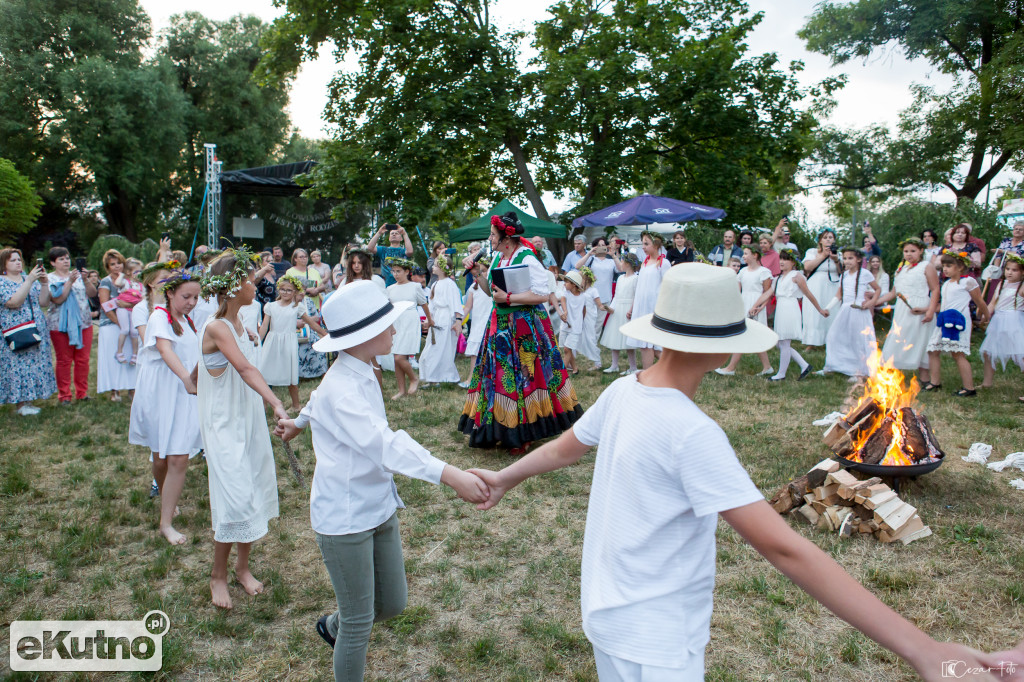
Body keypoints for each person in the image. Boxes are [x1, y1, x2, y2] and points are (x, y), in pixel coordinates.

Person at [466, 263, 1024, 682]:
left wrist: (505, 477)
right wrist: (925, 650)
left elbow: (564, 449)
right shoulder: (693, 432)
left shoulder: (622, 391)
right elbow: (787, 550)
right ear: (720, 349)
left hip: (608, 614)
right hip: (659, 639)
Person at [273, 281, 488, 682]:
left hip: (378, 505)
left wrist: (297, 424)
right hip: (346, 517)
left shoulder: (358, 370)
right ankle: (343, 629)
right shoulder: (343, 388)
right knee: (360, 622)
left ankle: (332, 625)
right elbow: (384, 444)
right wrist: (450, 474)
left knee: (391, 603)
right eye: (389, 325)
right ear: (364, 336)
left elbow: (315, 400)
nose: (395, 331)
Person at [198, 248, 288, 609]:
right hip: (223, 423)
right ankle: (217, 576)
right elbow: (246, 371)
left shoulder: (240, 323)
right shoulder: (217, 326)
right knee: (234, 497)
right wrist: (277, 403)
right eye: (251, 280)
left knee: (252, 488)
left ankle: (242, 568)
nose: (257, 284)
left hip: (246, 419)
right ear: (234, 287)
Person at [459, 212, 583, 453]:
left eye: (493, 235)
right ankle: (501, 427)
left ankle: (525, 432)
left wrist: (509, 298)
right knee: (501, 379)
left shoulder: (527, 258)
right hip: (500, 327)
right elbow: (490, 292)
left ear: (507, 238)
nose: (490, 239)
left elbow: (542, 294)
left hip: (524, 327)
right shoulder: (497, 259)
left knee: (525, 378)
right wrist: (477, 273)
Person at [128, 267, 203, 545]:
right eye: (187, 296)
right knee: (160, 459)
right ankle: (165, 500)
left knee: (178, 457)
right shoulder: (160, 316)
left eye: (196, 298)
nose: (192, 303)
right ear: (169, 293)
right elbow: (165, 349)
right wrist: (186, 378)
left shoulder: (188, 321)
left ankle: (166, 523)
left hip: (182, 397)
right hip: (162, 395)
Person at [753, 249, 828, 381]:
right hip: (781, 309)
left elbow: (808, 294)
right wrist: (755, 305)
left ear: (793, 262)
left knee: (785, 342)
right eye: (781, 259)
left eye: (786, 259)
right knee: (780, 342)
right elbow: (768, 293)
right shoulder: (778, 278)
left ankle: (781, 374)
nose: (781, 262)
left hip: (790, 309)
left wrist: (820, 309)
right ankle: (804, 365)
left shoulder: (796, 276)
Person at [925, 251, 990, 396]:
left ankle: (969, 388)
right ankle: (935, 382)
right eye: (943, 266)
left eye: (949, 266)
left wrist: (987, 316)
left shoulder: (967, 281)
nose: (945, 269)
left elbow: (979, 300)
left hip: (959, 321)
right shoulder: (947, 283)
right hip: (944, 320)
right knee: (933, 350)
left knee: (957, 354)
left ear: (960, 267)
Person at [259, 274, 327, 412]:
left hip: (288, 343)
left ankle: (296, 405)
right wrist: (257, 341)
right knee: (264, 373)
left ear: (295, 292)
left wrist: (325, 335)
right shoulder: (270, 306)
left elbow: (312, 325)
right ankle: (263, 405)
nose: (285, 292)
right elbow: (265, 326)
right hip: (272, 342)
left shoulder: (297, 308)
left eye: (289, 290)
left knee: (291, 376)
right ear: (279, 290)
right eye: (283, 289)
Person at [0, 248, 55, 415]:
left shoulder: (28, 279)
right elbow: (14, 302)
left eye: (19, 259)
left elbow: (43, 302)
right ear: (4, 264)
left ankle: (29, 401)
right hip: (15, 329)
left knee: (33, 364)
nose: (18, 262)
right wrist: (29, 280)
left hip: (35, 327)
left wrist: (44, 283)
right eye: (13, 260)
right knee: (18, 365)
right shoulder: (2, 281)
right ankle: (20, 404)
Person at [878, 238, 940, 384]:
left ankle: (925, 377)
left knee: (920, 340)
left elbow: (935, 289)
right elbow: (893, 293)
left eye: (913, 251)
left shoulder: (926, 266)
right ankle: (892, 375)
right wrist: (873, 302)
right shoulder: (901, 269)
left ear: (921, 251)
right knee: (897, 339)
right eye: (906, 251)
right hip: (902, 309)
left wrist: (930, 311)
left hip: (919, 307)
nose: (909, 254)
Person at [46, 247, 95, 404]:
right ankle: (64, 395)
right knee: (64, 360)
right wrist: (69, 282)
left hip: (84, 323)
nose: (66, 261)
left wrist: (86, 279)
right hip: (60, 325)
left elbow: (93, 294)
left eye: (67, 258)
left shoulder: (79, 276)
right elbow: (58, 299)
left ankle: (82, 393)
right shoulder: (49, 279)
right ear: (53, 262)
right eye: (61, 259)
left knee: (83, 360)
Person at [822, 247, 882, 378]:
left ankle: (860, 370)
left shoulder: (865, 273)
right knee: (833, 336)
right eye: (844, 258)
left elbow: (877, 289)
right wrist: (828, 308)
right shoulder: (844, 275)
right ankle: (833, 365)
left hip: (858, 310)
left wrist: (872, 302)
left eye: (850, 258)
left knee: (858, 340)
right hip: (845, 309)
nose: (847, 261)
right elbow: (839, 294)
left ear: (859, 259)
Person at [716, 247, 774, 376]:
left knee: (747, 336)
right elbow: (737, 290)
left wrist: (759, 307)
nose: (743, 256)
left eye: (746, 254)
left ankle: (731, 368)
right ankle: (767, 367)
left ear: (755, 255)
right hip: (744, 303)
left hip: (756, 304)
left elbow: (767, 292)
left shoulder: (764, 272)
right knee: (747, 335)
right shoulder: (742, 271)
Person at [385, 257, 431, 399]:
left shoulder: (414, 286)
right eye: (393, 271)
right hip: (396, 322)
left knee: (400, 357)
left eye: (398, 271)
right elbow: (388, 308)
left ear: (407, 272)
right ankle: (401, 390)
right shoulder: (390, 289)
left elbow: (423, 304)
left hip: (410, 320)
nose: (395, 274)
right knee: (396, 357)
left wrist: (430, 320)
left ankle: (413, 378)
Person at [96, 249, 137, 401]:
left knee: (130, 355)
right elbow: (106, 306)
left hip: (130, 321)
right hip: (111, 323)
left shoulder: (129, 280)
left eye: (119, 263)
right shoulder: (106, 282)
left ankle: (132, 388)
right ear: (108, 267)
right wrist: (120, 323)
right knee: (114, 357)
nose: (116, 266)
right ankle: (115, 390)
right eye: (112, 264)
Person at [980, 253, 1024, 388]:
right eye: (1008, 269)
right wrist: (986, 314)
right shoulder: (1001, 284)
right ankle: (987, 383)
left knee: (1020, 354)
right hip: (998, 321)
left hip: (1014, 320)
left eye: (1014, 270)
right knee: (988, 352)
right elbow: (993, 302)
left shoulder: (1021, 287)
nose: (1010, 273)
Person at [418, 255, 462, 386]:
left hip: (445, 318)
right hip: (436, 318)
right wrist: (428, 319)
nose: (433, 267)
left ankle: (443, 378)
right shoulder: (435, 284)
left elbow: (456, 303)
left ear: (443, 268)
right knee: (431, 349)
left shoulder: (450, 284)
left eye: (436, 265)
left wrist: (458, 320)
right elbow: (431, 305)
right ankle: (432, 378)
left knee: (442, 349)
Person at [286, 248, 329, 379]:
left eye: (305, 256)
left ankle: (318, 371)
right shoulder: (290, 272)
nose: (304, 259)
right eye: (301, 257)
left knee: (315, 337)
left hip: (311, 305)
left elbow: (323, 285)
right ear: (295, 259)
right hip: (297, 314)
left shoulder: (313, 271)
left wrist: (315, 290)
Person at [599, 252, 640, 375]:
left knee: (628, 340)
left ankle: (633, 367)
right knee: (614, 338)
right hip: (617, 309)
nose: (620, 264)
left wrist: (631, 310)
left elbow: (636, 296)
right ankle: (614, 365)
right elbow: (616, 296)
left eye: (622, 261)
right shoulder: (620, 278)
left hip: (628, 309)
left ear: (628, 264)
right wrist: (611, 308)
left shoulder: (636, 278)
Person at [801, 228, 842, 348]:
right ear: (820, 240)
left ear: (834, 239)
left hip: (833, 285)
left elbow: (841, 272)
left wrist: (836, 260)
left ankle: (831, 341)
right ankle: (812, 343)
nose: (828, 240)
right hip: (816, 285)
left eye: (830, 237)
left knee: (832, 311)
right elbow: (807, 267)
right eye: (825, 237)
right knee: (813, 313)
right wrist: (823, 255)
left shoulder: (838, 253)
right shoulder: (812, 252)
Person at [460, 256, 493, 388]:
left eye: (485, 271)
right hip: (478, 323)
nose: (482, 274)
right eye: (481, 271)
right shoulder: (473, 288)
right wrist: (459, 322)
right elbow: (467, 307)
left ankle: (488, 378)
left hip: (489, 321)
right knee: (475, 353)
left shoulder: (492, 287)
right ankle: (471, 378)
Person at [113, 258, 144, 364]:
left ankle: (135, 354)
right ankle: (119, 352)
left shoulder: (140, 285)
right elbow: (117, 283)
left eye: (140, 271)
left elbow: (143, 298)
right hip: (123, 309)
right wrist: (121, 274)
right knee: (125, 329)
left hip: (133, 309)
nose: (138, 274)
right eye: (136, 271)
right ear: (129, 272)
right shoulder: (126, 282)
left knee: (134, 332)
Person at [557, 269, 587, 374]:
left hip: (576, 327)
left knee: (567, 348)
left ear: (574, 285)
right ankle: (575, 368)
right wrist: (565, 312)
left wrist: (580, 322)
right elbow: (563, 300)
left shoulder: (583, 297)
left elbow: (584, 310)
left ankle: (562, 373)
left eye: (566, 282)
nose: (564, 284)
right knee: (567, 349)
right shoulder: (566, 293)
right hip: (565, 325)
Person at [575, 237, 617, 307]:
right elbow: (577, 266)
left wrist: (613, 255)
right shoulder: (591, 259)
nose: (601, 247)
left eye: (603, 245)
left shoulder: (611, 261)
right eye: (598, 245)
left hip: (606, 295)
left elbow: (620, 269)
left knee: (602, 317)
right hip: (591, 295)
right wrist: (589, 253)